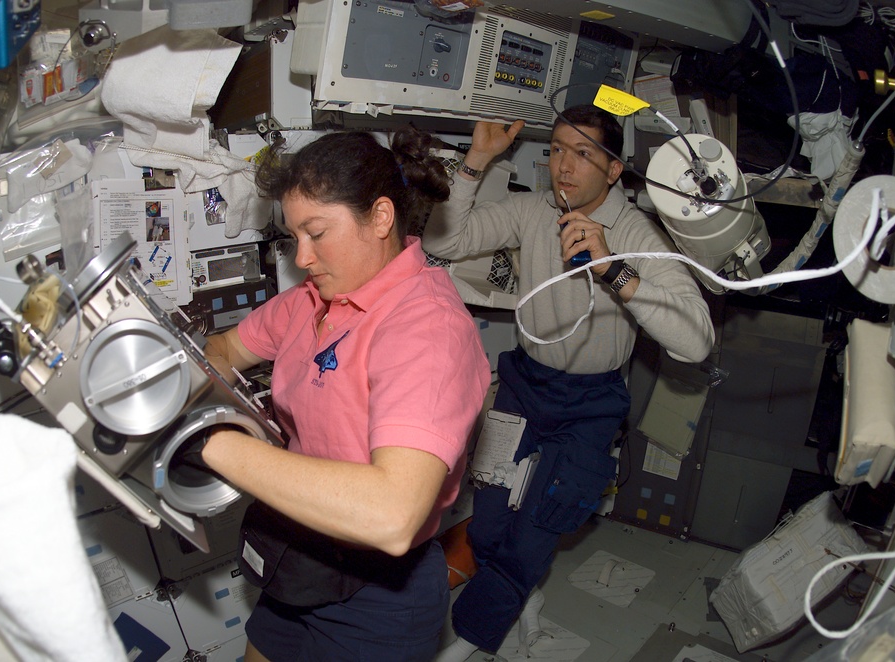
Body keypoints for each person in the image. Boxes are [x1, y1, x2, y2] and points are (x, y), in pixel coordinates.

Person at [422, 105, 715, 660]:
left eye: (583, 153)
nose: (563, 165)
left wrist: (615, 270)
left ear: (613, 169)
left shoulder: (636, 233)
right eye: (557, 149)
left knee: (537, 528)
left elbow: (697, 341)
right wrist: (475, 161)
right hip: (525, 383)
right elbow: (445, 241)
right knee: (487, 524)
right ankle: (524, 601)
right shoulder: (534, 210)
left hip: (590, 403)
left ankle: (469, 641)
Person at [199, 127, 491, 662]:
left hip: (379, 593)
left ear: (380, 218)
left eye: (316, 233)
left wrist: (210, 442)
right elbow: (222, 349)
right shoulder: (310, 300)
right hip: (299, 552)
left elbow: (392, 514)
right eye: (295, 237)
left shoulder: (427, 328)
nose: (303, 258)